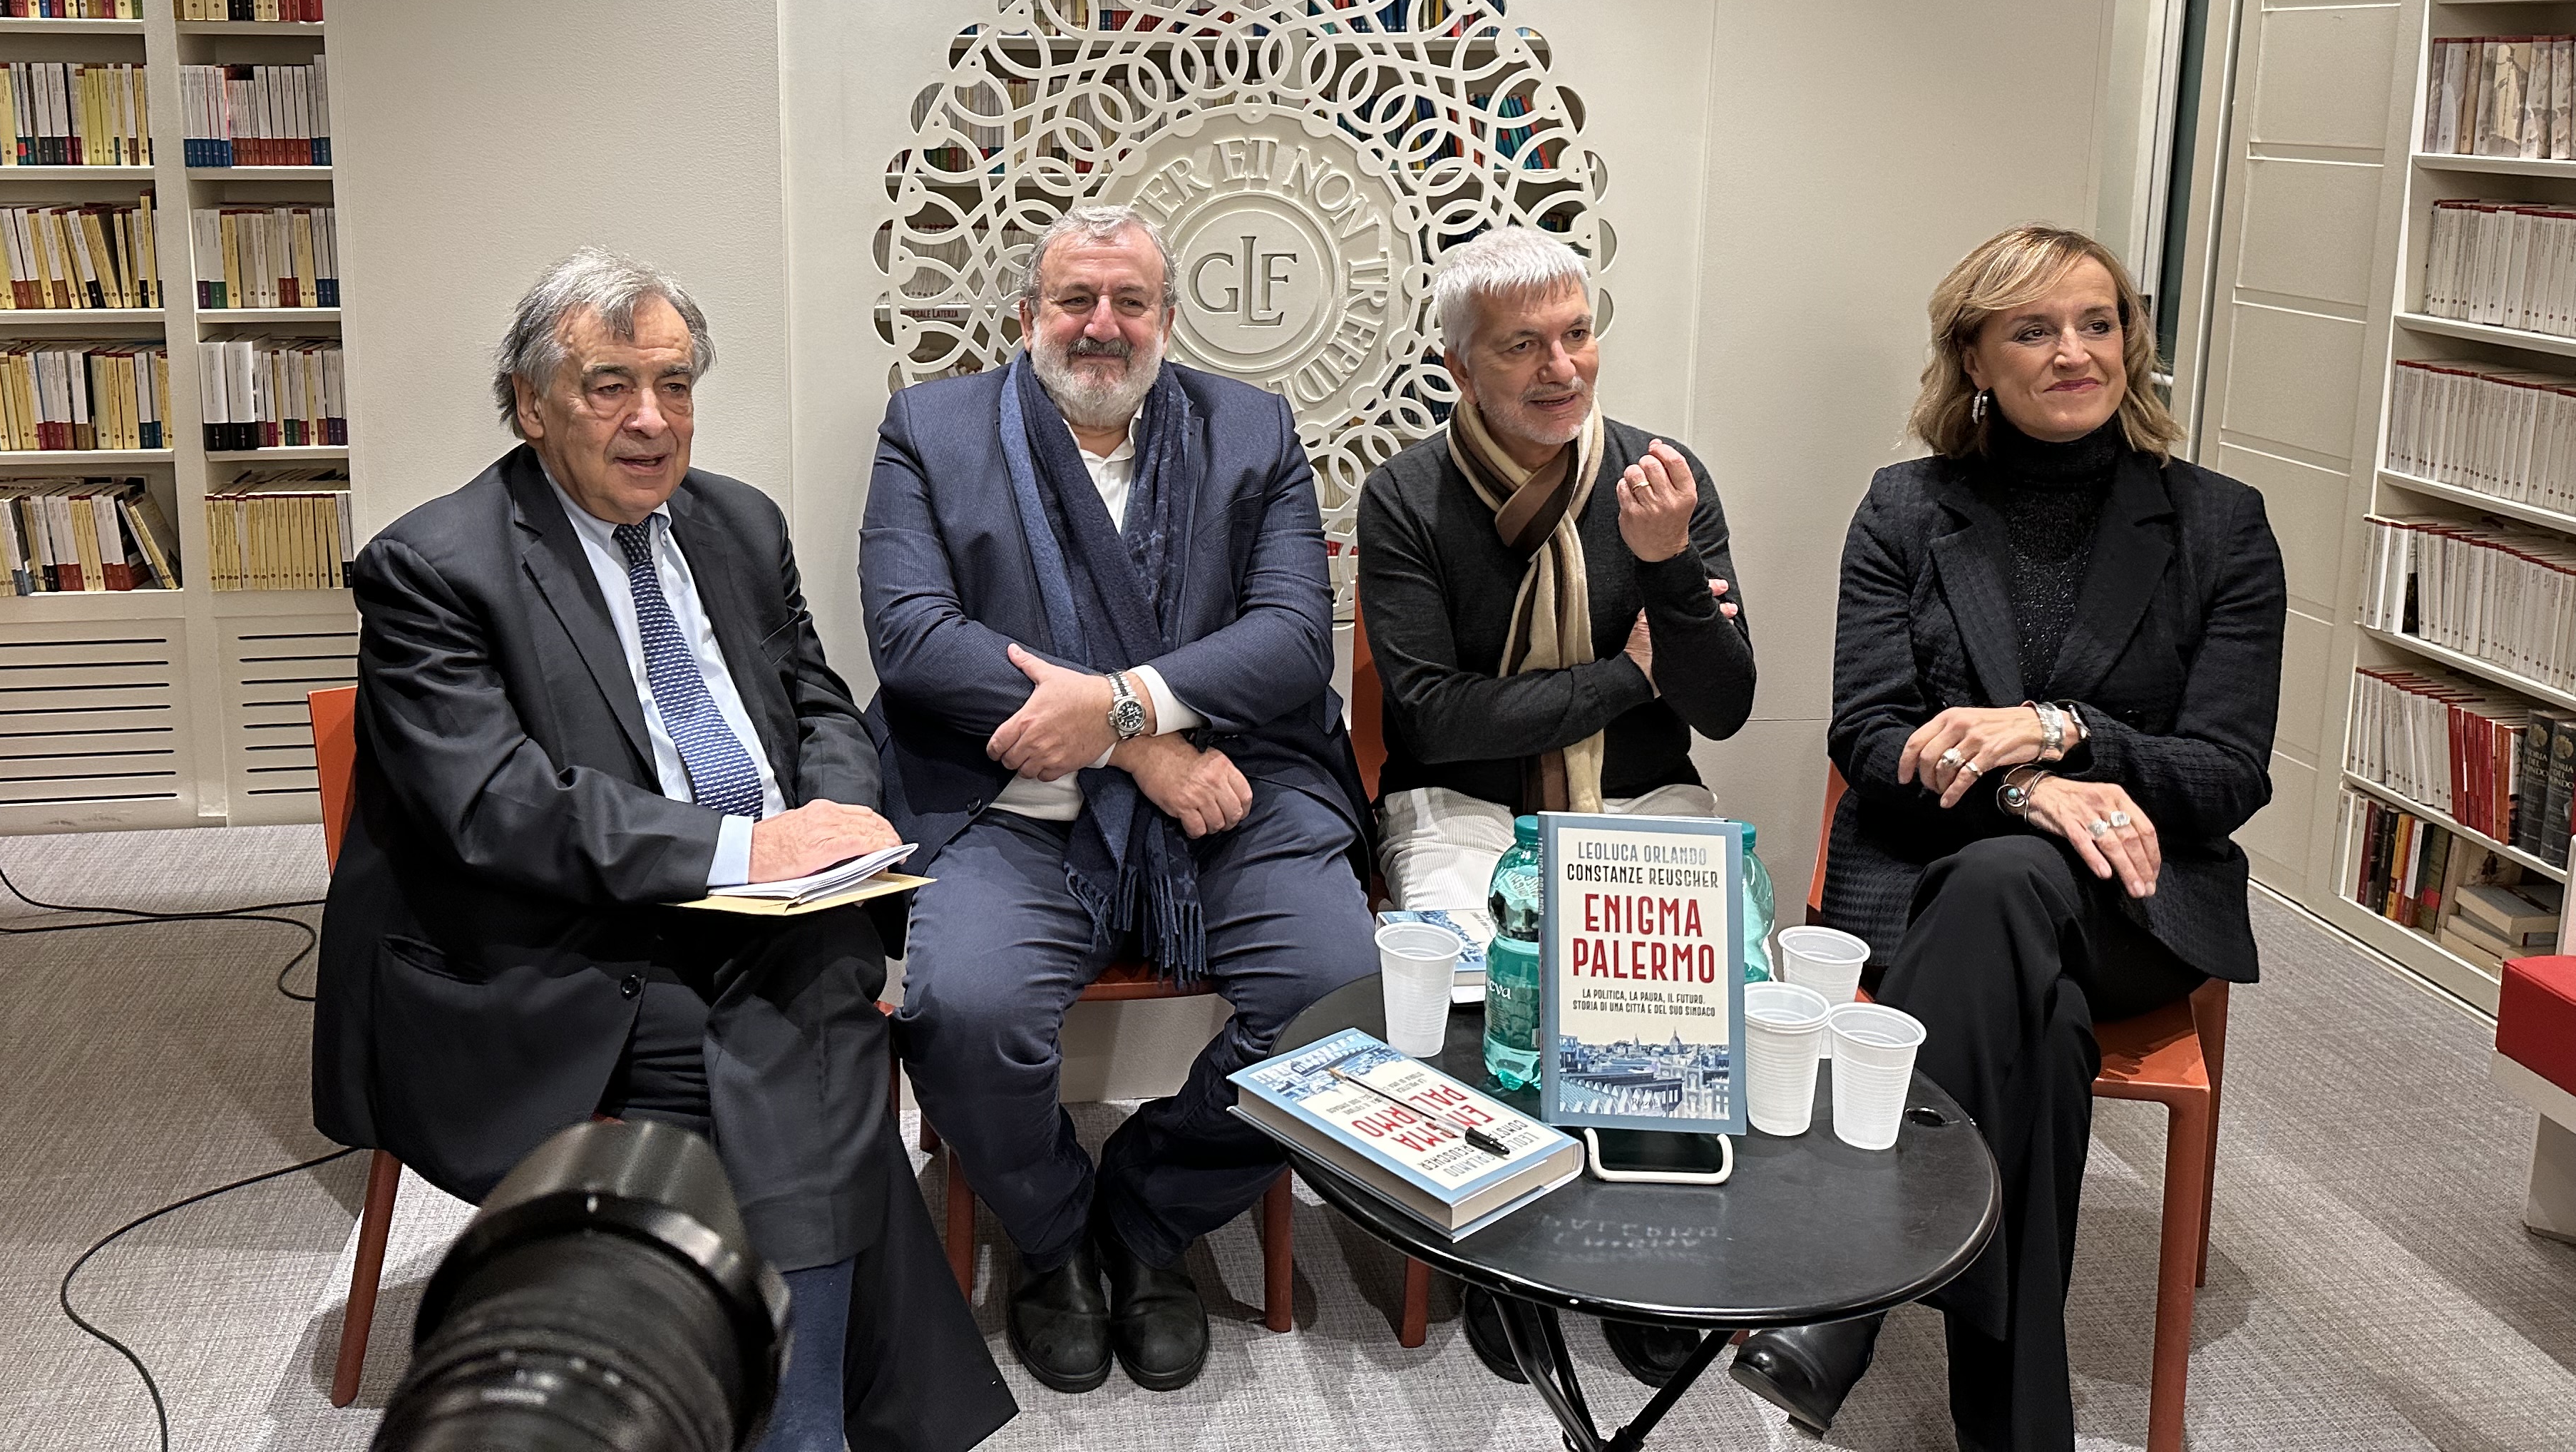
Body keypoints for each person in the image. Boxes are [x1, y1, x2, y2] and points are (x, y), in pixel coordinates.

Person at [312, 248, 1012, 1452]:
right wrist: (751, 849)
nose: (652, 419)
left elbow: (818, 702)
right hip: (562, 955)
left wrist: (833, 834)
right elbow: (498, 807)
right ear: (530, 403)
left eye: (677, 384)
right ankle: (811, 1428)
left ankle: (792, 1420)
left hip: (772, 912)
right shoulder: (434, 567)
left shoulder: (738, 522)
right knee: (810, 1044)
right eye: (609, 385)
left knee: (818, 1001)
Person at [1727, 223, 2282, 1452]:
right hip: (1937, 891)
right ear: (1973, 356)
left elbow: (2227, 773)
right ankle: (2020, 1431)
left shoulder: (2219, 526)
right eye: (2033, 329)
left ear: (2133, 346)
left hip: (2138, 903)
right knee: (2036, 1000)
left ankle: (1845, 1295)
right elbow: (1870, 739)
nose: (2074, 352)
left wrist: (2062, 734)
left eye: (2100, 323)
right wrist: (2030, 796)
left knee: (2013, 889)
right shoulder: (1907, 511)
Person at [863, 204, 1377, 1396]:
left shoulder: (1252, 431)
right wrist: (1139, 749)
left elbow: (1294, 640)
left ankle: (1146, 1217)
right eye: (1075, 301)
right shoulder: (930, 430)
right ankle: (1051, 1238)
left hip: (1234, 796)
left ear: (1167, 318)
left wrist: (1122, 707)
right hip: (1017, 799)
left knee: (1337, 1001)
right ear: (1026, 314)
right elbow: (913, 636)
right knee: (962, 1012)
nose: (1101, 326)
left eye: (1129, 303)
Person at [1355, 225, 1753, 1387]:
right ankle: (1506, 1255)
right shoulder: (1407, 497)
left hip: (1639, 790)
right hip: (1462, 802)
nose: (1560, 368)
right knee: (1486, 980)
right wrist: (1630, 675)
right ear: (1457, 370)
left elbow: (1724, 706)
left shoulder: (1660, 477)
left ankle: (1652, 1248)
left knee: (1694, 967)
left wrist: (1671, 568)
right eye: (1521, 345)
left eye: (1578, 334)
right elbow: (1435, 719)